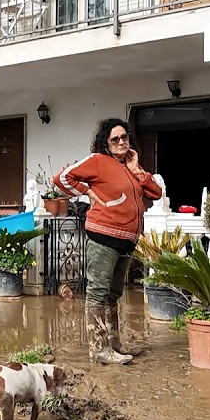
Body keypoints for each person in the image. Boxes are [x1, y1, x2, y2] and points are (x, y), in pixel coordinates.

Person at [53, 118, 162, 366]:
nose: (122, 142)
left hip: (127, 241)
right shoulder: (98, 162)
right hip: (104, 237)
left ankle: (114, 345)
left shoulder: (131, 168)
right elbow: (62, 178)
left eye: (125, 137)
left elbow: (155, 192)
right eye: (115, 139)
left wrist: (137, 171)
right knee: (98, 292)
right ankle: (98, 349)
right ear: (106, 143)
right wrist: (89, 192)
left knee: (113, 293)